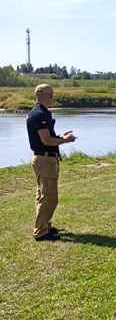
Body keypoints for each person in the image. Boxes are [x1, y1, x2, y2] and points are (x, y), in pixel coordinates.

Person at [27, 84, 78, 241]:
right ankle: (40, 231)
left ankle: (45, 225)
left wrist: (60, 136)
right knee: (48, 196)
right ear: (50, 96)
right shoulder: (40, 114)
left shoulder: (36, 112)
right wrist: (65, 140)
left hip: (43, 159)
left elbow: (47, 137)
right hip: (45, 161)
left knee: (44, 194)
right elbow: (47, 141)